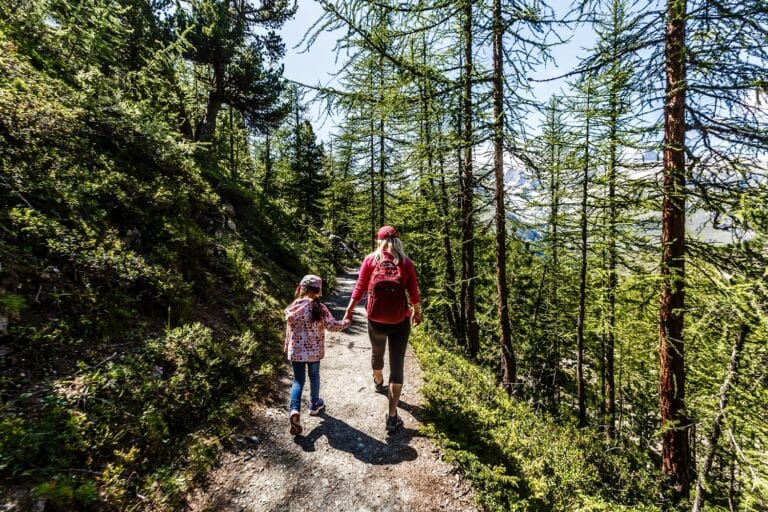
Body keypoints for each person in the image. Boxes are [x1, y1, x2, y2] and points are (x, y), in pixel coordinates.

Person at [343, 225, 421, 434]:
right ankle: (392, 415)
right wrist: (416, 312)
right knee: (397, 367)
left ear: (378, 241)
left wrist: (349, 311)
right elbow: (413, 292)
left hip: (375, 320)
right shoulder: (405, 262)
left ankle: (378, 380)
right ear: (397, 241)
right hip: (399, 321)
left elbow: (359, 287)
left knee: (378, 352)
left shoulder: (370, 260)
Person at [284, 274, 350, 436]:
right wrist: (347, 322)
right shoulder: (319, 308)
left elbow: (288, 331)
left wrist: (287, 346)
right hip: (313, 352)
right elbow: (332, 326)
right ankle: (314, 404)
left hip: (296, 353)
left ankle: (294, 410)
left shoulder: (293, 307)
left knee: (298, 381)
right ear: (318, 291)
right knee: (314, 377)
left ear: (301, 288)